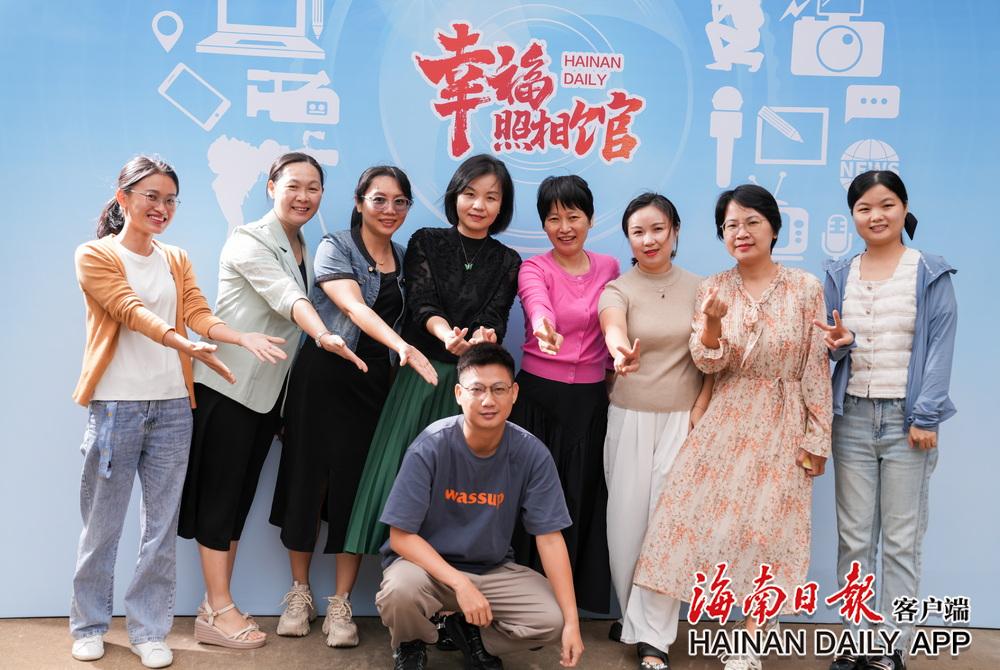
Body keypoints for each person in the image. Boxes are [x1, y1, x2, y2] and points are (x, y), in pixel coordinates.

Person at [70, 156, 286, 668]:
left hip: (172, 408)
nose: (162, 208)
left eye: (170, 200)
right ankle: (90, 625)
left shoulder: (176, 257)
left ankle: (149, 630)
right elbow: (129, 309)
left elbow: (197, 313)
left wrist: (237, 337)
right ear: (123, 198)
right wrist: (181, 343)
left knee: (160, 528)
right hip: (116, 406)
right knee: (102, 527)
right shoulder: (95, 254)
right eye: (151, 196)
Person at [633, 184, 832, 670]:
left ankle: (750, 642)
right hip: (726, 413)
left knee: (770, 531)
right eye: (730, 226)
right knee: (681, 518)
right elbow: (708, 360)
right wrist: (713, 325)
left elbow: (815, 367)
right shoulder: (714, 288)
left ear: (774, 228)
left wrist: (817, 436)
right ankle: (653, 638)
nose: (741, 233)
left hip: (784, 419)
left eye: (751, 222)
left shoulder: (805, 287)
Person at [177, 152, 365, 649]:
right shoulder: (249, 239)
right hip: (228, 389)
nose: (304, 196)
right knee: (219, 499)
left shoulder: (303, 244)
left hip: (266, 399)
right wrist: (323, 334)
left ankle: (215, 605)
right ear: (271, 186)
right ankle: (218, 609)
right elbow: (287, 297)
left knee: (238, 500)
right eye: (293, 186)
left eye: (313, 188)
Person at [269, 166, 438, 648]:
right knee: (306, 482)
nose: (389, 210)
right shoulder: (335, 246)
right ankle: (299, 593)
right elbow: (351, 306)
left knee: (356, 490)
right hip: (322, 376)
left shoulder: (405, 259)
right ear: (360, 201)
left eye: (400, 202)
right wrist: (401, 346)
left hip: (374, 387)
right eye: (379, 199)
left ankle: (341, 603)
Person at [343, 154, 522, 558]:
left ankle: (446, 577)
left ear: (502, 205)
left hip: (471, 390)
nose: (479, 205)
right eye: (470, 194)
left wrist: (485, 337)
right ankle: (382, 575)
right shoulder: (426, 240)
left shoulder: (508, 260)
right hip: (420, 378)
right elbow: (422, 304)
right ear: (455, 196)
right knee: (396, 473)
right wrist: (446, 336)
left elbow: (496, 316)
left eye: (491, 197)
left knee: (457, 486)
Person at [817, 171, 957, 670]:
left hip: (907, 422)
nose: (876, 216)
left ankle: (890, 649)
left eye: (886, 204)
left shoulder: (930, 271)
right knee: (855, 539)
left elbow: (940, 349)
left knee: (900, 542)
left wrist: (926, 416)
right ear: (852, 216)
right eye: (864, 208)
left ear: (904, 207)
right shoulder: (839, 273)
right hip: (852, 418)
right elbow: (830, 345)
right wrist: (839, 345)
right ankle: (856, 641)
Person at [375, 344, 585, 670]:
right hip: (426, 570)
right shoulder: (431, 446)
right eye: (477, 390)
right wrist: (460, 584)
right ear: (459, 394)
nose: (488, 400)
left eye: (499, 389)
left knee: (552, 618)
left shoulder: (531, 453)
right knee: (399, 591)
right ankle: (411, 641)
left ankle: (471, 635)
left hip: (491, 569)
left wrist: (572, 622)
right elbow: (400, 537)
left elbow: (550, 538)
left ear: (514, 394)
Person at [598, 193, 713, 670]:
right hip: (629, 417)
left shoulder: (703, 288)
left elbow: (713, 357)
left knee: (669, 528)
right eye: (638, 232)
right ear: (628, 238)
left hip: (682, 420)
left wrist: (700, 409)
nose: (649, 240)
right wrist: (620, 352)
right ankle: (634, 618)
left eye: (658, 229)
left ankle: (654, 638)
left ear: (675, 231)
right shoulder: (617, 289)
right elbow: (612, 328)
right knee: (626, 527)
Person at [508, 175, 619, 615]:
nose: (564, 227)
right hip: (538, 400)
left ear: (590, 219)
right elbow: (536, 303)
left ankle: (570, 604)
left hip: (590, 402)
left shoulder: (609, 267)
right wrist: (543, 327)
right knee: (530, 499)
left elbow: (614, 319)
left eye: (573, 216)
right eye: (553, 219)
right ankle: (524, 601)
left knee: (580, 497)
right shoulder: (534, 268)